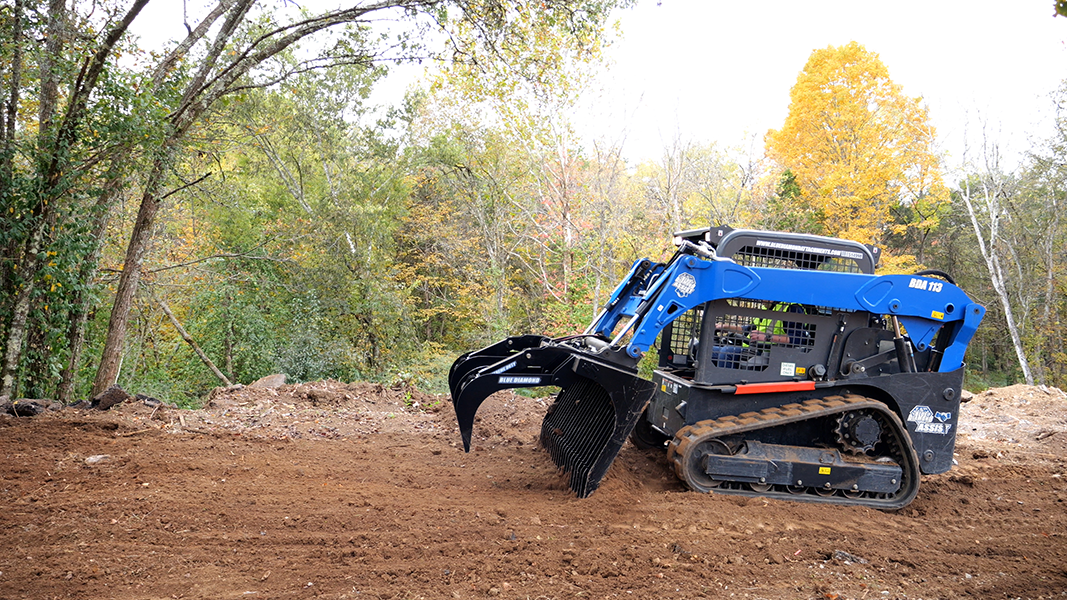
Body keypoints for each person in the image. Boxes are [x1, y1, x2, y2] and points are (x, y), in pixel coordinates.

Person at [709, 301, 806, 369]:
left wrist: (767, 337)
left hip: (770, 354)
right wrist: (723, 326)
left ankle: (725, 383)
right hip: (751, 349)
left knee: (727, 351)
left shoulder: (792, 309)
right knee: (707, 350)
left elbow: (798, 338)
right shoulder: (766, 309)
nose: (760, 300)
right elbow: (748, 329)